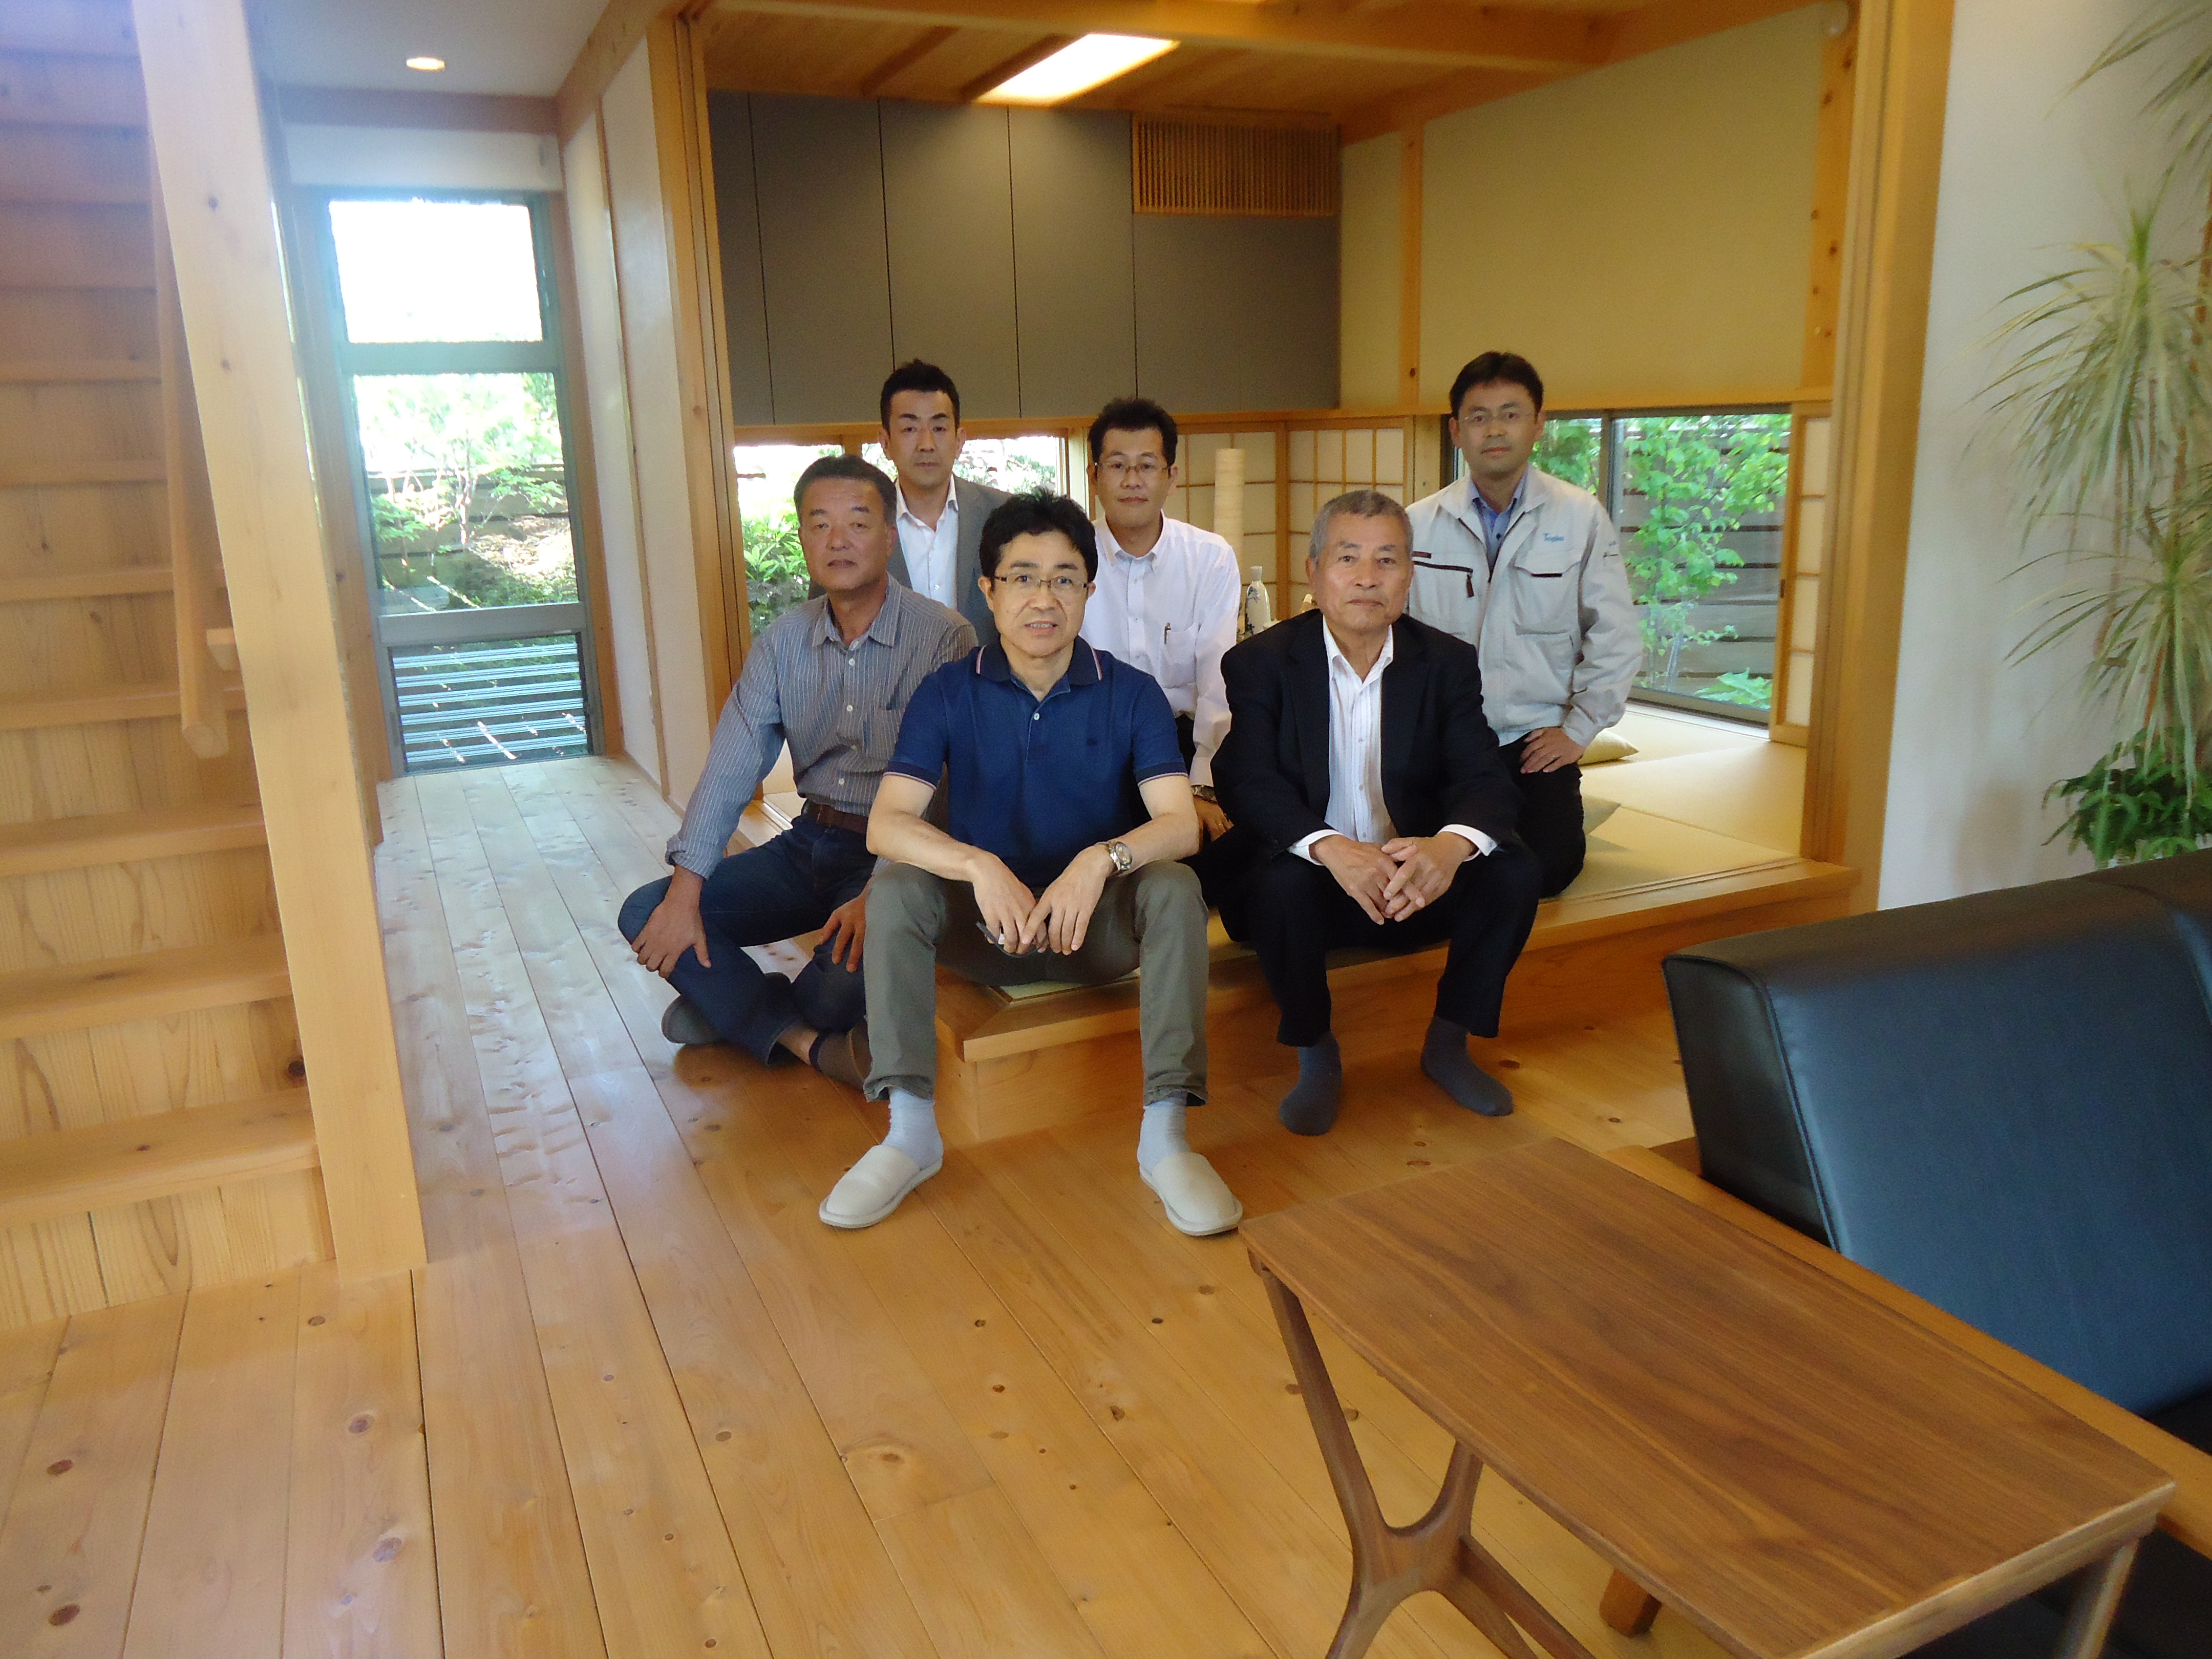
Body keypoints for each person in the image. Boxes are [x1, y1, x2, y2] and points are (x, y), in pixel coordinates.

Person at [822, 490, 1243, 1239]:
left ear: (1089, 590)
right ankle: (910, 1133)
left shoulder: (1132, 693)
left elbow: (1181, 826)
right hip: (985, 932)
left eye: (1063, 579)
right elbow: (886, 825)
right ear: (989, 591)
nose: (1043, 599)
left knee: (1175, 887)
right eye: (1022, 577)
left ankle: (1166, 1138)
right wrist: (978, 866)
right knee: (895, 888)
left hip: (1096, 933)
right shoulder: (947, 691)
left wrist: (1100, 861)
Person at [621, 454, 973, 1087]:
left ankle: (732, 1009)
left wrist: (880, 890)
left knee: (841, 984)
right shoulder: (782, 642)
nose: (838, 540)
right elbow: (730, 770)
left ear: (889, 537)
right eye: (819, 524)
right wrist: (685, 889)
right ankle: (803, 1041)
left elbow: (949, 788)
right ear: (803, 538)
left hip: (896, 853)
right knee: (648, 910)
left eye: (858, 523)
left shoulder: (944, 637)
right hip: (808, 843)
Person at [1214, 490, 1542, 1136]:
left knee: (1515, 870)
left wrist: (1447, 849)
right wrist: (1331, 848)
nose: (1367, 577)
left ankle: (1448, 1043)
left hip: (1411, 882)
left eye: (1387, 560)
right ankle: (1317, 1054)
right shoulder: (1261, 663)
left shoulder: (1446, 663)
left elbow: (1485, 777)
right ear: (1314, 573)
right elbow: (1244, 779)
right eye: (1348, 558)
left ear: (1409, 576)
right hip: (1316, 886)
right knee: (1278, 879)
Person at [1405, 352, 1638, 897]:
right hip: (1442, 739)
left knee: (1549, 869)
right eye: (1479, 417)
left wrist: (1579, 730)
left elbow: (1616, 634)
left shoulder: (1579, 517)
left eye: (1511, 414)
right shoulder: (1418, 524)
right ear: (1456, 431)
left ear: (1538, 425)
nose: (1495, 430)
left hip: (1533, 739)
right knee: (1410, 850)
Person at [1074, 397, 1246, 908]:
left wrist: (1203, 787)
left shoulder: (1210, 558)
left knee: (1226, 863)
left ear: (1172, 476)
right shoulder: (1069, 557)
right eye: (1118, 465)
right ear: (1095, 475)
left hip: (1181, 742)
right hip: (1090, 742)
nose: (1133, 480)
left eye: (1147, 465)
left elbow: (1217, 682)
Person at [877, 359, 1010, 649]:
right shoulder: (862, 525)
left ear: (959, 440)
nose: (926, 444)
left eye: (939, 428)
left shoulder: (1005, 515)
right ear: (886, 442)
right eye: (910, 429)